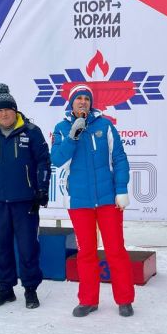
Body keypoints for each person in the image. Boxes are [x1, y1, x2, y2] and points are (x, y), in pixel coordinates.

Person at [50, 84, 135, 317]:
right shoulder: (61, 128)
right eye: (79, 98)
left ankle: (124, 299)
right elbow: (57, 159)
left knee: (115, 250)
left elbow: (119, 158)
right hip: (79, 201)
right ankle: (88, 300)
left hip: (108, 200)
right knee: (86, 252)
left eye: (87, 99)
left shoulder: (105, 125)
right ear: (71, 103)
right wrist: (72, 136)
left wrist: (121, 189)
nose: (83, 102)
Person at [0, 84, 51, 310]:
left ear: (15, 110)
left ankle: (30, 289)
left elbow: (43, 161)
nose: (4, 114)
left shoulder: (31, 131)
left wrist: (42, 189)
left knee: (28, 247)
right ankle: (5, 289)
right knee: (2, 247)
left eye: (7, 109)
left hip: (25, 201)